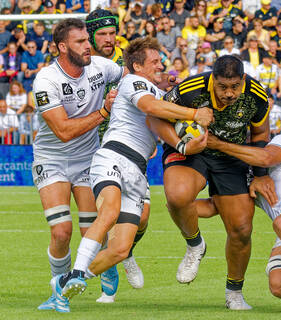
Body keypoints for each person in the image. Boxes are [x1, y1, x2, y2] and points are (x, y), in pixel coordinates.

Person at [50, 37, 212, 311]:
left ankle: (65, 284)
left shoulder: (155, 92)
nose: (161, 65)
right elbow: (150, 108)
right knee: (109, 211)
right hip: (113, 156)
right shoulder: (133, 82)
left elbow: (154, 120)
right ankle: (77, 271)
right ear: (137, 65)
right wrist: (195, 113)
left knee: (120, 249)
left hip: (137, 169)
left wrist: (183, 144)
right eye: (155, 61)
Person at [147, 55, 270, 310]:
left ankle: (234, 292)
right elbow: (155, 116)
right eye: (222, 86)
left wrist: (260, 174)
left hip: (231, 154)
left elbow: (260, 133)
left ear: (243, 80)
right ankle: (195, 245)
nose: (228, 93)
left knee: (241, 230)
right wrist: (182, 144)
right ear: (213, 79)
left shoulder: (257, 94)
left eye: (234, 86)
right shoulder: (191, 89)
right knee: (178, 197)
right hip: (191, 150)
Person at [32, 18, 125, 313]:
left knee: (91, 231)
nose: (89, 46)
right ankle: (58, 286)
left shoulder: (100, 66)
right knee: (61, 231)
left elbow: (131, 76)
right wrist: (104, 111)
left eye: (88, 40)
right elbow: (63, 131)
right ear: (62, 47)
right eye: (81, 42)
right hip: (52, 159)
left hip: (88, 160)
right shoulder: (46, 80)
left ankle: (103, 268)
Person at [200, 133, 281, 310]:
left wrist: (219, 145)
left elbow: (266, 158)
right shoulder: (242, 173)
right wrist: (179, 206)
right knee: (279, 285)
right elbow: (217, 206)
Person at [85, 8, 155, 304]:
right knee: (101, 218)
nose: (109, 39)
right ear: (89, 36)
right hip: (90, 149)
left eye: (113, 33)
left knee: (143, 219)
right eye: (102, 34)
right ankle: (102, 285)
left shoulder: (125, 63)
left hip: (126, 148)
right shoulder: (80, 65)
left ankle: (126, 254)